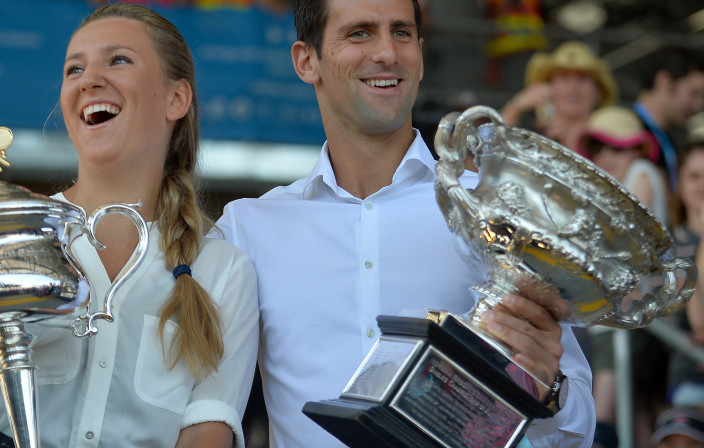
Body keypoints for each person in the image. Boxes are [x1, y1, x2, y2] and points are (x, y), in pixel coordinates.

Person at [212, 0, 595, 446]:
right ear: (306, 60)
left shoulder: (495, 213)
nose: (387, 53)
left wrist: (548, 391)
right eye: (359, 33)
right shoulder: (248, 228)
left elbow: (577, 426)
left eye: (402, 33)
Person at [0, 4, 259, 448]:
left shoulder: (223, 268)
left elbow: (209, 430)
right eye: (75, 68)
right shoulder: (0, 236)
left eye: (119, 60)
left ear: (177, 99)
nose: (89, 79)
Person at [577, 105, 670, 448]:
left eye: (617, 147)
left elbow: (631, 240)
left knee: (603, 417)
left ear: (637, 149)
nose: (607, 156)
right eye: (599, 148)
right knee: (636, 414)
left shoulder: (642, 172)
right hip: (623, 315)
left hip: (628, 314)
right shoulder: (618, 185)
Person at [499, 40, 618, 152]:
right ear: (548, 87)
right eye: (564, 78)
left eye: (582, 79)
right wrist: (516, 107)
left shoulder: (613, 138)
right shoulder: (535, 134)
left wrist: (568, 140)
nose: (573, 86)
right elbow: (490, 151)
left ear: (598, 92)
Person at [634, 45, 704, 191]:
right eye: (694, 93)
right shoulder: (627, 134)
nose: (698, 105)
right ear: (665, 82)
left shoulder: (667, 139)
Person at [666, 142, 704, 407]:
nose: (702, 184)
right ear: (679, 184)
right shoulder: (665, 245)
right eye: (694, 176)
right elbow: (697, 322)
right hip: (690, 373)